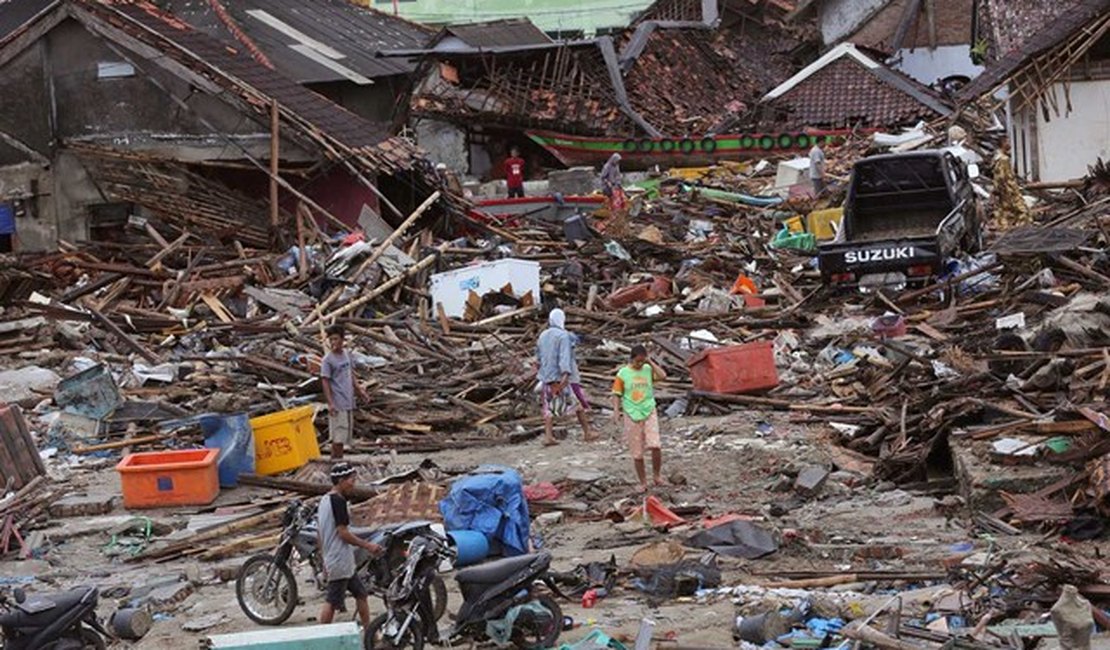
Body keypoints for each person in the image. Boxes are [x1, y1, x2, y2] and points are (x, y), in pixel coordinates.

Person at [318, 462, 382, 627]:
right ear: (340, 480)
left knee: (361, 594)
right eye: (351, 479)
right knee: (332, 601)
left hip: (338, 559)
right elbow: (343, 533)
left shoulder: (324, 500)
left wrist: (323, 558)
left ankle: (369, 632)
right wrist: (367, 546)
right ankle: (321, 637)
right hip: (339, 559)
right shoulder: (338, 502)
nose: (353, 483)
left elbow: (320, 533)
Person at [611, 345, 667, 492]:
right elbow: (616, 393)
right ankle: (643, 482)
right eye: (637, 362)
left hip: (649, 409)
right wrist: (616, 411)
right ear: (632, 359)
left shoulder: (648, 370)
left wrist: (650, 362)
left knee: (655, 445)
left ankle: (657, 476)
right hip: (631, 412)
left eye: (642, 361)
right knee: (637, 451)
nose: (640, 364)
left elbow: (663, 376)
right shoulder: (623, 373)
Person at [537, 308, 595, 446]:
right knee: (577, 405)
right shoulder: (563, 336)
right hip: (559, 378)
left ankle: (548, 436)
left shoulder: (542, 335)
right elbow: (564, 358)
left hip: (547, 378)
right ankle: (587, 432)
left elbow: (539, 357)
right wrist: (565, 376)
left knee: (549, 407)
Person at [320, 324, 370, 460]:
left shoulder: (347, 355)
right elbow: (325, 381)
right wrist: (330, 403)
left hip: (348, 401)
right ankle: (336, 464)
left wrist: (360, 390)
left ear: (342, 340)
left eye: (335, 339)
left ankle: (336, 463)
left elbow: (351, 374)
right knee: (338, 438)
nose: (333, 342)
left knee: (343, 438)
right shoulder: (327, 360)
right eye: (330, 340)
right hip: (337, 403)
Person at [991, 138, 1033, 229]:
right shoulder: (1004, 159)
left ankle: (1006, 228)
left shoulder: (997, 158)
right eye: (1007, 142)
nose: (1010, 144)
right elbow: (1005, 177)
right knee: (1023, 211)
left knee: (1005, 213)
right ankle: (1022, 231)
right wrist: (1013, 190)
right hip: (1009, 191)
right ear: (1002, 143)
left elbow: (997, 178)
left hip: (1003, 192)